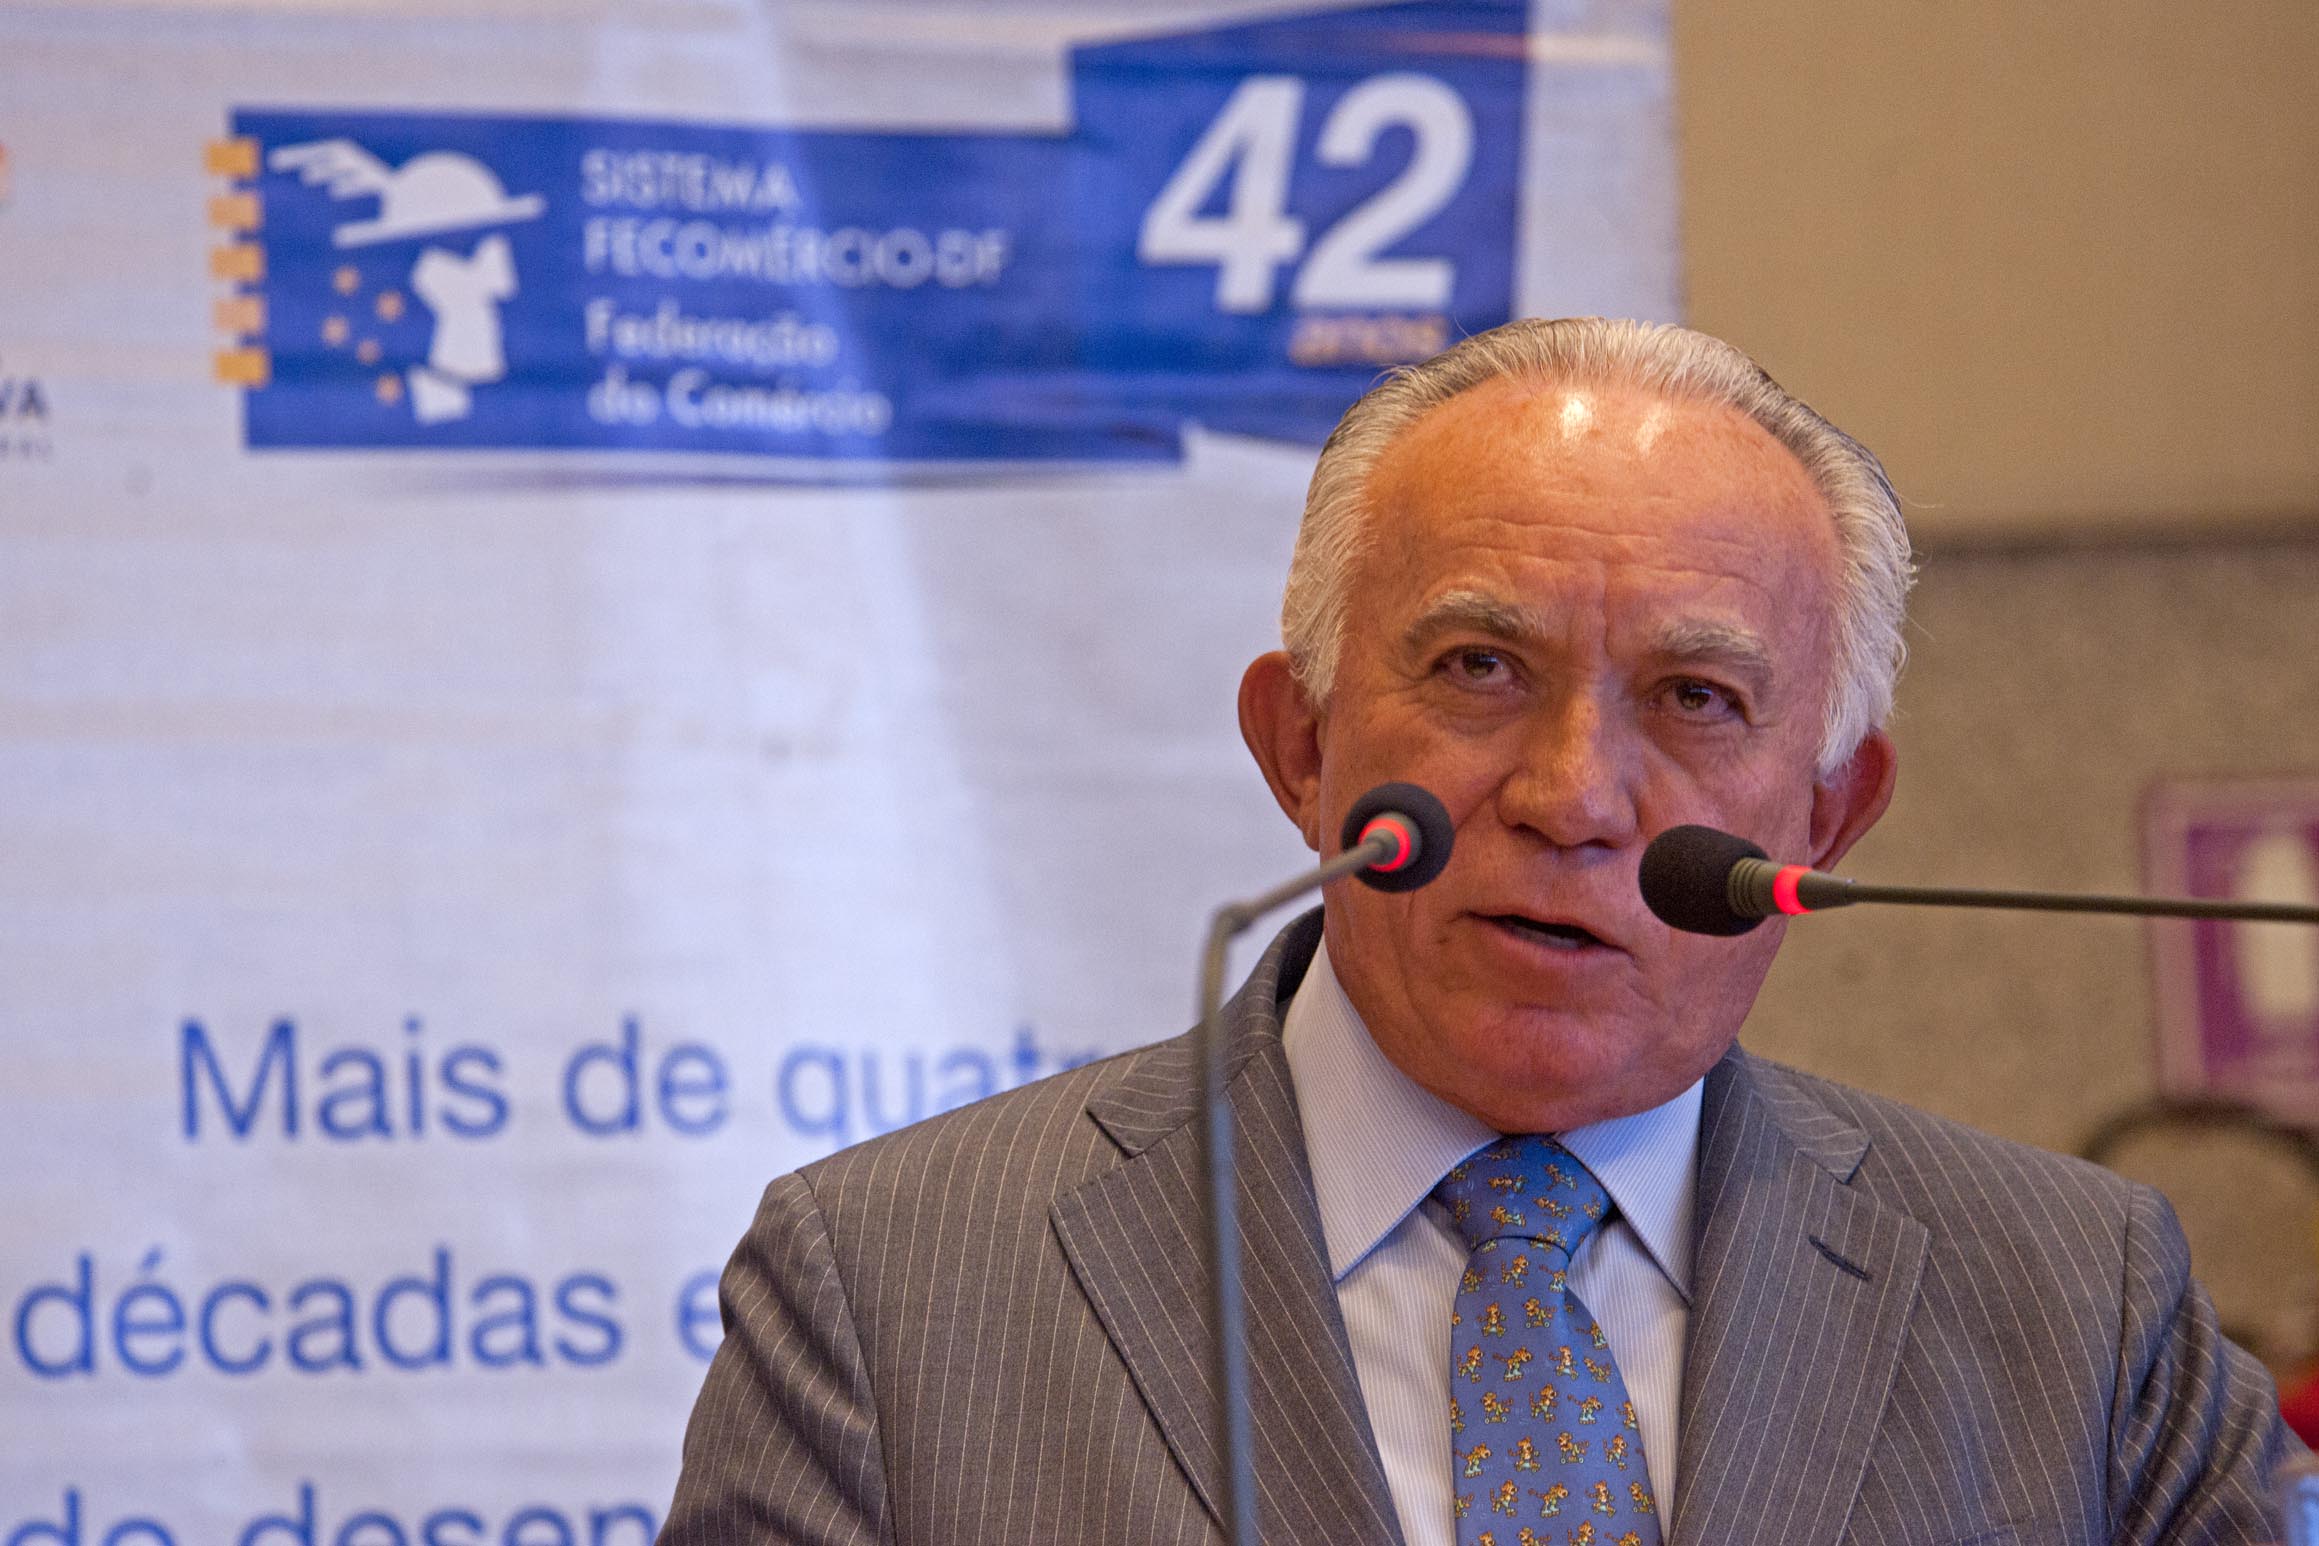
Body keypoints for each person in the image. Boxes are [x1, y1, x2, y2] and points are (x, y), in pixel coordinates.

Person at [661, 318, 2289, 1545]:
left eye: (1696, 697)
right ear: (1302, 747)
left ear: (1830, 816)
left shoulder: (2079, 1312)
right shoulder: (889, 1294)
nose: (1572, 797)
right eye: (1478, 669)